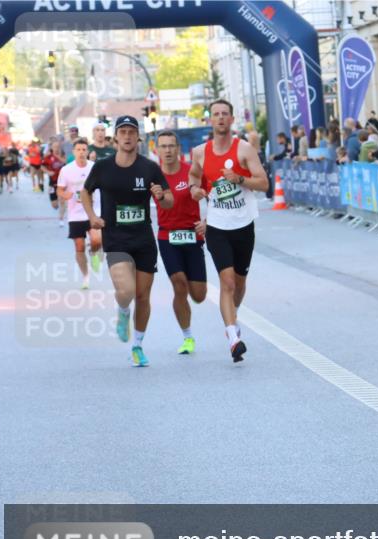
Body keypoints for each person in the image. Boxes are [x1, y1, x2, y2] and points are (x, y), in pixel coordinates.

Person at [81, 115, 173, 367]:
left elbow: (168, 201)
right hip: (116, 239)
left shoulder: (149, 167)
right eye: (123, 132)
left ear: (138, 137)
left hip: (144, 239)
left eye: (132, 131)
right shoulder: (102, 167)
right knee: (127, 291)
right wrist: (92, 217)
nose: (128, 136)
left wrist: (161, 196)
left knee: (143, 296)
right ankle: (123, 312)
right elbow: (85, 192)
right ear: (115, 138)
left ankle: (138, 346)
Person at [188, 100, 269, 363]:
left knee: (240, 282)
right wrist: (195, 190)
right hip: (217, 226)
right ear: (210, 120)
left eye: (225, 114)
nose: (220, 118)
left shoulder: (244, 149)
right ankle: (233, 337)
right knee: (228, 282)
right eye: (216, 115)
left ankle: (231, 316)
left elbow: (264, 183)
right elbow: (193, 176)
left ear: (231, 119)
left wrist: (240, 179)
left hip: (244, 224)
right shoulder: (200, 152)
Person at [153, 130, 207, 355]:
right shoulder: (153, 175)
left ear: (178, 149)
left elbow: (215, 195)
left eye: (171, 146)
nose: (167, 150)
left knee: (199, 295)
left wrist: (208, 221)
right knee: (179, 284)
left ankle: (192, 300)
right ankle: (187, 337)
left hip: (193, 235)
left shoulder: (191, 172)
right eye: (163, 146)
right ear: (157, 150)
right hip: (167, 236)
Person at [57, 138, 102, 289]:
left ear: (87, 152)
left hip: (93, 212)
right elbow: (60, 189)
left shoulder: (94, 167)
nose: (82, 152)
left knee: (97, 240)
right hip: (75, 214)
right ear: (74, 152)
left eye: (84, 149)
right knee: (79, 246)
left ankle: (94, 253)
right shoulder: (66, 170)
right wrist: (65, 195)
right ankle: (86, 276)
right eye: (79, 150)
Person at [41, 141, 67, 221]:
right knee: (54, 205)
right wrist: (48, 172)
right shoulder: (48, 157)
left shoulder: (63, 155)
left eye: (58, 146)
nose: (56, 148)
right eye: (55, 147)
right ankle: (57, 207)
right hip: (52, 182)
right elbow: (42, 166)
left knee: (62, 201)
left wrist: (57, 156)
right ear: (51, 148)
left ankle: (61, 217)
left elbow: (65, 162)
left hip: (63, 182)